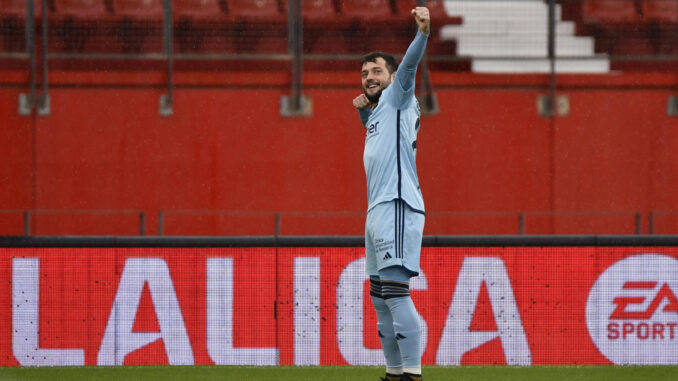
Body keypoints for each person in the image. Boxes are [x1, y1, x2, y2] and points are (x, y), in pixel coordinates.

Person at [352, 6, 430, 381]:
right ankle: (394, 372)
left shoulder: (399, 94)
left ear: (392, 75)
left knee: (396, 294)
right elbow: (382, 141)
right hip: (377, 211)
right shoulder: (383, 109)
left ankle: (411, 374)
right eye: (365, 73)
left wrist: (423, 33)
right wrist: (364, 114)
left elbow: (410, 67)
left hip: (397, 206)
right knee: (380, 299)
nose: (369, 77)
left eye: (376, 71)